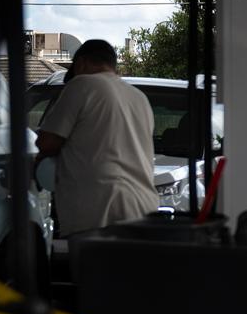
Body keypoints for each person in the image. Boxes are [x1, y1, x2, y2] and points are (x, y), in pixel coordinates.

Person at [35, 39, 157, 236]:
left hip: (98, 211)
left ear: (81, 63)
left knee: (93, 267)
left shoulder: (81, 84)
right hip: (142, 208)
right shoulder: (139, 97)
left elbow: (46, 143)